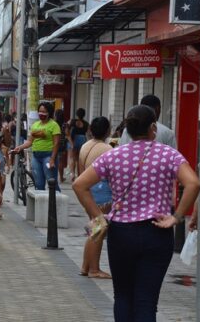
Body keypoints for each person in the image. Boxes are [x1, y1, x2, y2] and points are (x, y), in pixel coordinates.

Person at [72, 105, 200, 322]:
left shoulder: (114, 155)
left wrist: (98, 216)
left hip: (122, 233)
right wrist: (176, 217)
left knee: (123, 296)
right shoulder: (168, 154)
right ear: (153, 128)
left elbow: (79, 185)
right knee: (147, 300)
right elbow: (193, 183)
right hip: (157, 232)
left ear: (128, 130)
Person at [77, 116, 113, 279]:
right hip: (102, 191)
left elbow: (80, 172)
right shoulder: (107, 149)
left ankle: (86, 266)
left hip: (88, 190)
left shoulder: (85, 146)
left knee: (95, 229)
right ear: (108, 131)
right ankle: (94, 269)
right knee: (98, 229)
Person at [12, 102, 61, 191]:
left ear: (49, 112)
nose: (41, 114)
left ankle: (56, 203)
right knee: (38, 183)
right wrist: (20, 147)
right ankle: (41, 204)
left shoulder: (54, 125)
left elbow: (56, 143)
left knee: (51, 182)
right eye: (40, 111)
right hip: (36, 157)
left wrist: (52, 159)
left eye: (44, 112)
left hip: (48, 156)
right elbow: (30, 141)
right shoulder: (35, 125)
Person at [68, 108, 89, 182]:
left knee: (72, 158)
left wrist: (70, 142)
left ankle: (72, 173)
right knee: (79, 159)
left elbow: (67, 130)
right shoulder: (86, 123)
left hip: (74, 139)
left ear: (77, 114)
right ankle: (80, 175)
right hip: (82, 139)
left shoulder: (72, 121)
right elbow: (89, 133)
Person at [55, 109, 68, 183]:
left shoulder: (54, 123)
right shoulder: (64, 124)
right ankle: (61, 177)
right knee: (61, 161)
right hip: (62, 144)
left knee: (53, 159)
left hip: (54, 143)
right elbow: (67, 134)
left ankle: (53, 176)